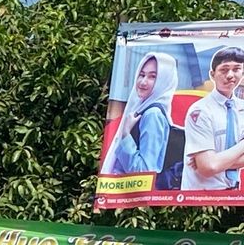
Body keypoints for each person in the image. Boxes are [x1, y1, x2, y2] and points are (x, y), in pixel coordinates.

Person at [101, 51, 178, 179]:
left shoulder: (152, 114)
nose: (143, 82)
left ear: (164, 81)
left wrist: (126, 135)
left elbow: (144, 172)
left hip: (130, 195)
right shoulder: (143, 109)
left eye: (152, 77)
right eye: (141, 75)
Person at [182, 46, 244, 191]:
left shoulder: (242, 109)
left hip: (233, 193)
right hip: (201, 198)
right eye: (224, 69)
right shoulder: (201, 111)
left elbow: (211, 164)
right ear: (212, 74)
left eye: (236, 69)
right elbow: (209, 167)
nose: (230, 75)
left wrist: (215, 161)